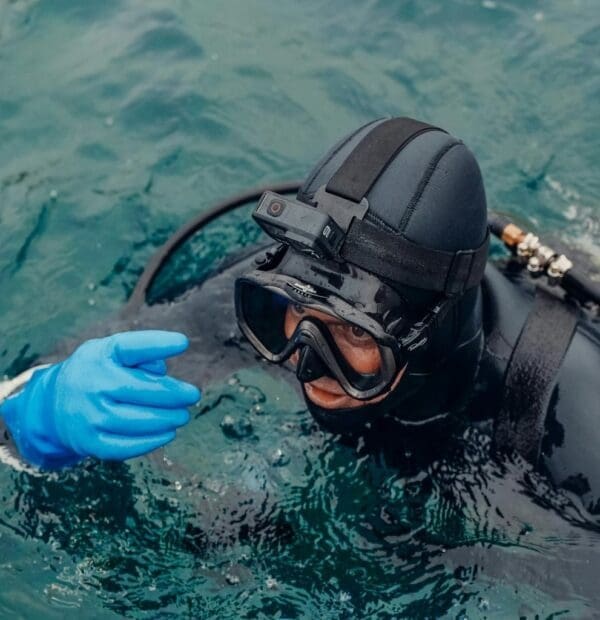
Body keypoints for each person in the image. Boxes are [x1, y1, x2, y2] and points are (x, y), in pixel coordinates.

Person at [1, 117, 599, 510]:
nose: (305, 360)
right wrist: (38, 417)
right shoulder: (278, 282)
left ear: (425, 337)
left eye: (348, 332)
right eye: (291, 312)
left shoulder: (569, 420)